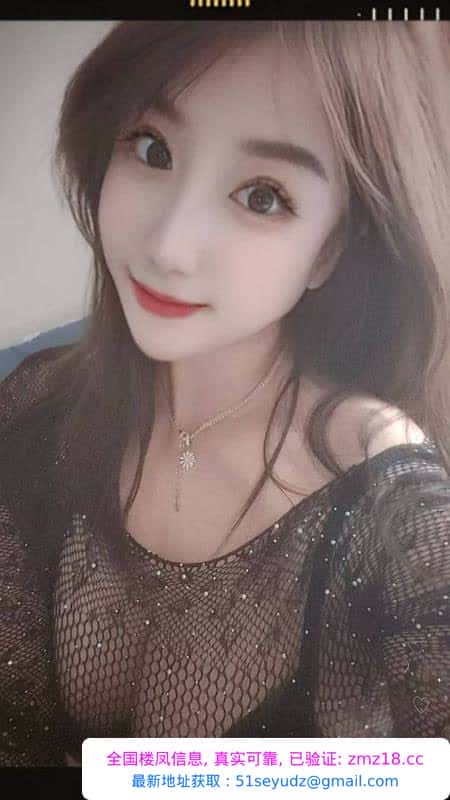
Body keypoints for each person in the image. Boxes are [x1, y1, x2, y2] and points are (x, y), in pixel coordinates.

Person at [0, 20, 449, 768]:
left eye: (262, 196)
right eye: (153, 149)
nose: (168, 246)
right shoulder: (35, 409)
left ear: (332, 248)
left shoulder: (383, 494)